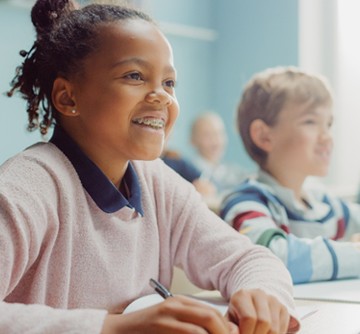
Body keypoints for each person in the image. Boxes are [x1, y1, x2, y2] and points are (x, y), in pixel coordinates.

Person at [0, 1, 300, 333]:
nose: (162, 97)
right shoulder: (26, 187)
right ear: (68, 98)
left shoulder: (159, 184)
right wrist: (114, 328)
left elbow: (249, 260)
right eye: (134, 76)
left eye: (169, 83)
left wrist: (260, 294)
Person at [220, 66, 360, 285]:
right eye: (311, 122)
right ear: (264, 136)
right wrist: (354, 253)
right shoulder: (246, 202)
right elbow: (272, 257)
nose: (327, 137)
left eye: (329, 124)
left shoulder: (325, 204)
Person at [191, 112, 249, 195]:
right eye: (207, 135)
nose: (215, 140)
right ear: (193, 140)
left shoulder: (236, 174)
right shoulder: (187, 174)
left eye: (219, 133)